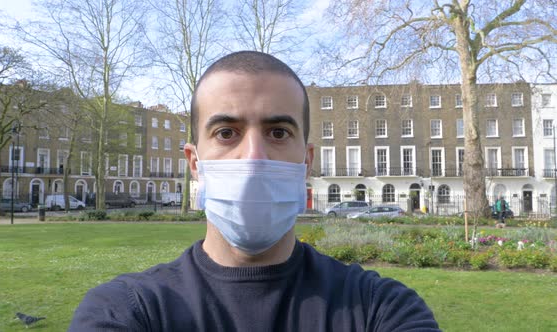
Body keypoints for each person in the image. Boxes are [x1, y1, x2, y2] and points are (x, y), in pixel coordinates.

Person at [69, 51, 440, 331]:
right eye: (226, 133)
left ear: (307, 161)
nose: (253, 157)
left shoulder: (382, 310)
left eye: (278, 132)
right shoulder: (126, 312)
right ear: (194, 162)